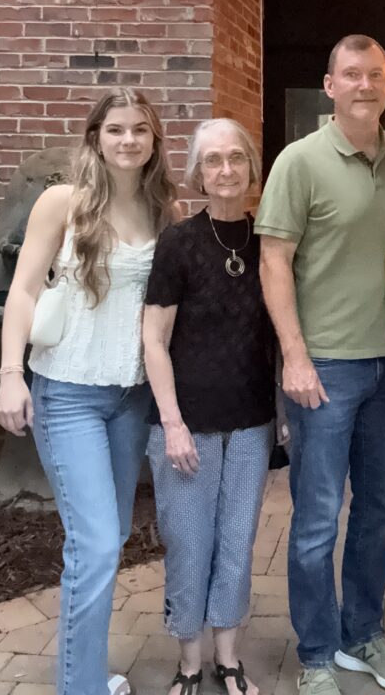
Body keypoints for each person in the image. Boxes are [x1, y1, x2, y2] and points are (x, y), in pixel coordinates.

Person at [0, 88, 177, 695]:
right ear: (96, 137)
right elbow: (22, 292)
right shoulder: (62, 202)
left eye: (140, 131)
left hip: (130, 398)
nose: (129, 140)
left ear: (155, 141)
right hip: (66, 393)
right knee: (98, 544)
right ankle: (82, 687)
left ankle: (87, 674)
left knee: (109, 538)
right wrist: (10, 374)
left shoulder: (161, 209)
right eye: (116, 129)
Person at [256, 35, 385, 695]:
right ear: (330, 86)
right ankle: (317, 653)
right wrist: (292, 357)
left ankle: (362, 635)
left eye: (375, 74)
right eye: (351, 75)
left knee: (380, 511)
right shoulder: (299, 163)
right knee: (317, 519)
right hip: (325, 367)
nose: (364, 85)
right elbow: (273, 264)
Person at [143, 118, 275, 695]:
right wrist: (172, 423)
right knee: (189, 543)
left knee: (237, 543)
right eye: (213, 160)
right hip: (186, 424)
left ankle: (228, 659)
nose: (226, 169)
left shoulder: (268, 240)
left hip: (250, 423)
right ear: (197, 172)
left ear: (251, 168)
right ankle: (189, 663)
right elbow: (153, 338)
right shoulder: (179, 242)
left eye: (236, 158)